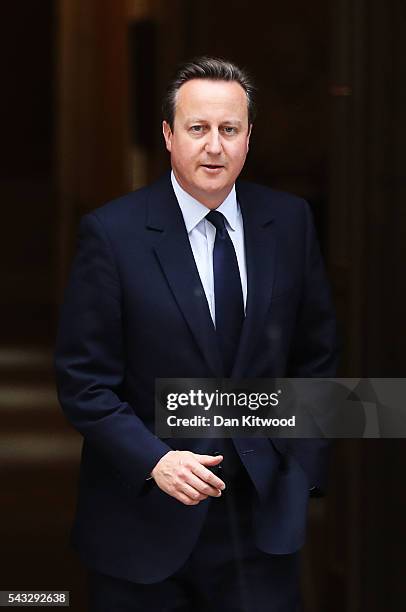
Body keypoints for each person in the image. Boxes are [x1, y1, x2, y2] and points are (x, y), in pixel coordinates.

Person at [55, 56, 338, 612]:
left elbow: (318, 357)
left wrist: (300, 467)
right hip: (142, 525)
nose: (215, 146)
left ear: (249, 137)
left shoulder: (290, 222)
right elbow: (83, 381)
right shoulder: (111, 235)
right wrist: (154, 461)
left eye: (229, 129)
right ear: (168, 135)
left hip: (260, 526)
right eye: (198, 128)